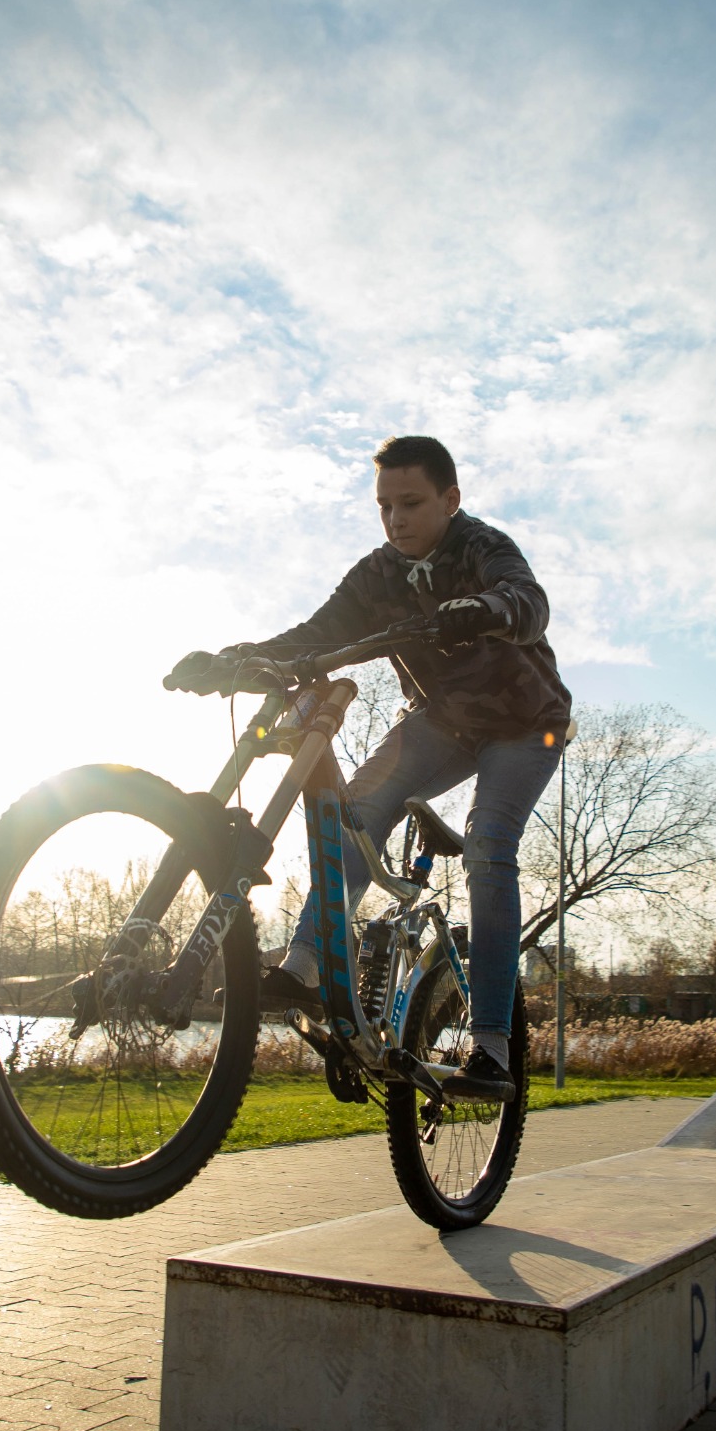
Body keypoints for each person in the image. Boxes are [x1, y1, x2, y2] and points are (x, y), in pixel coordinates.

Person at [229, 434, 571, 1102]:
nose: (395, 520)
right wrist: (235, 658)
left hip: (526, 725)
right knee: (358, 807)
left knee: (488, 846)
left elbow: (528, 601)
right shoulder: (377, 574)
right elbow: (317, 635)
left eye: (410, 503)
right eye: (383, 506)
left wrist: (484, 609)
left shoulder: (480, 547)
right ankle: (305, 964)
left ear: (449, 499)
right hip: (442, 723)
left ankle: (492, 1048)